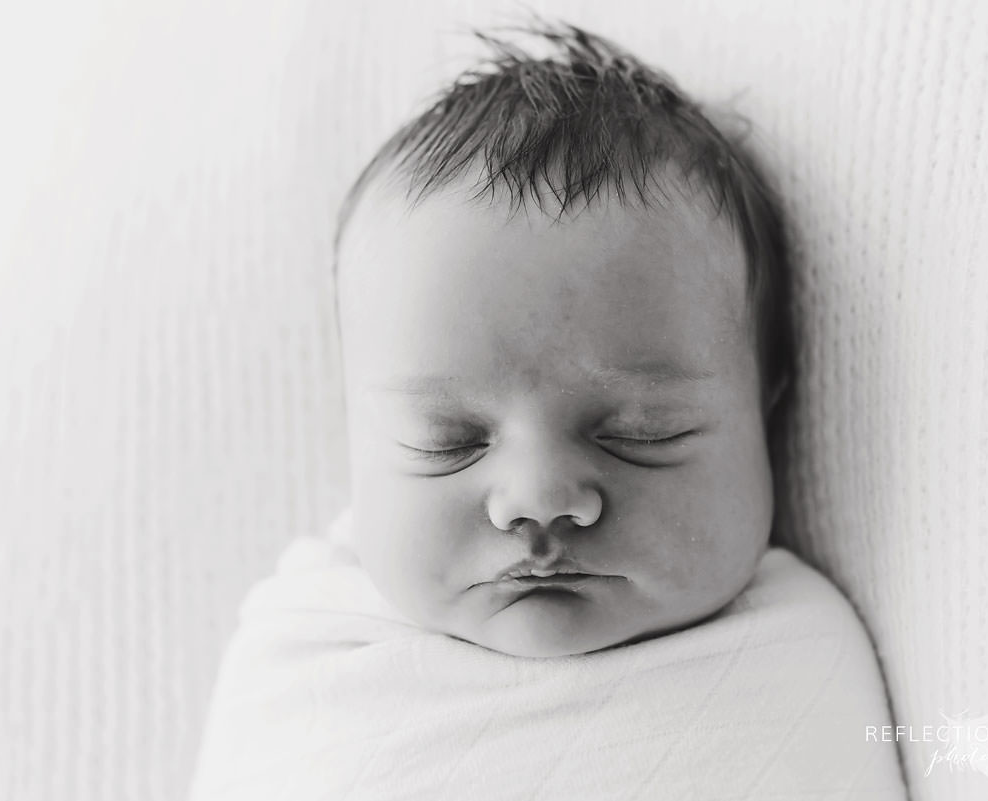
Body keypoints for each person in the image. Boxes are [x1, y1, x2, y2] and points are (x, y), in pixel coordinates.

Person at [189, 21, 906, 799]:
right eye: (449, 439)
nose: (537, 500)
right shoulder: (312, 653)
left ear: (766, 411)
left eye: (641, 432)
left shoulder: (796, 662)